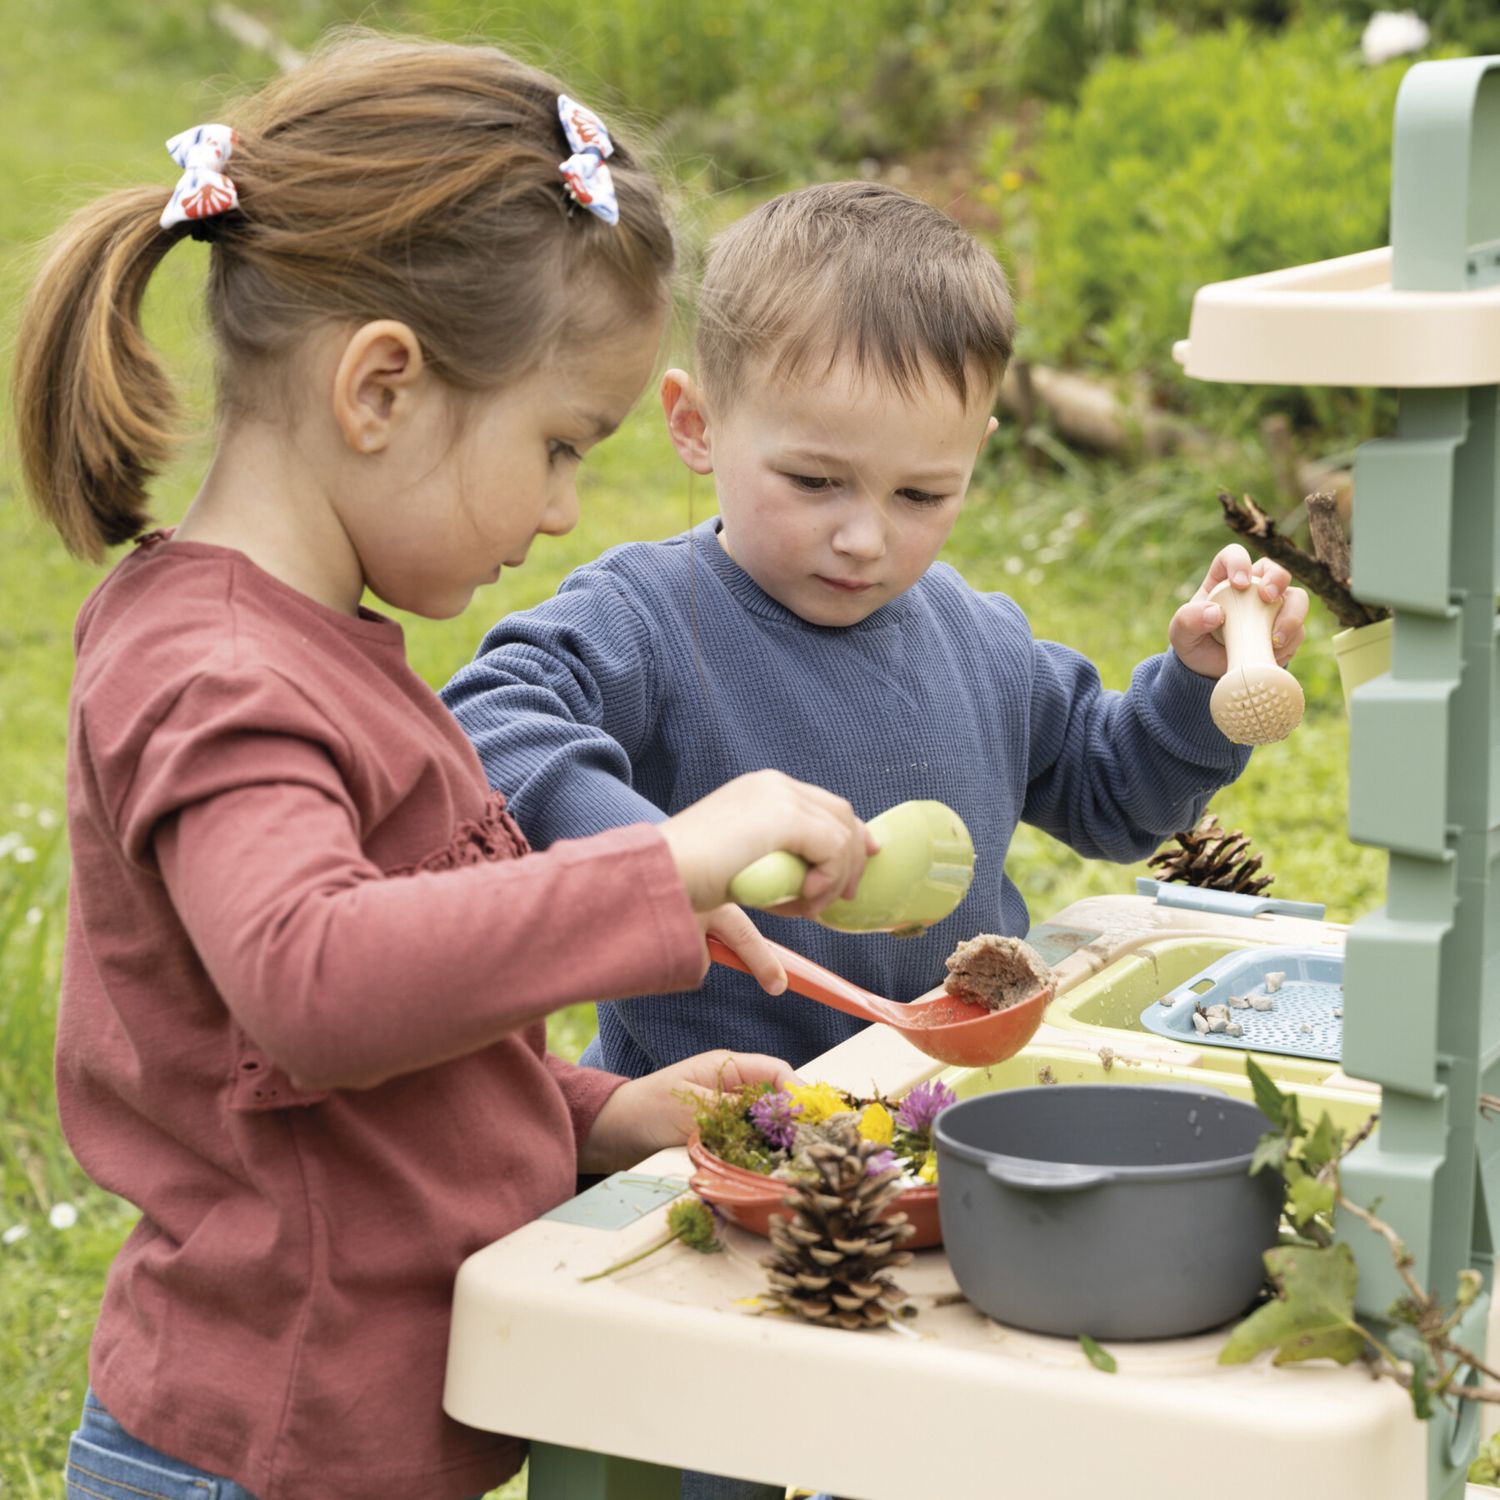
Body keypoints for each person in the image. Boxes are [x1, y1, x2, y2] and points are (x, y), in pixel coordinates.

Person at [12, 37, 878, 1500]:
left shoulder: (318, 649)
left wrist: (594, 1116)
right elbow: (314, 983)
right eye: (559, 445)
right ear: (381, 389)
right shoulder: (221, 675)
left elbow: (365, 1081)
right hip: (258, 1459)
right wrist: (660, 864)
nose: (562, 511)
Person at [443, 179, 1311, 1092]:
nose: (864, 538)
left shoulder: (980, 641)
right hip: (720, 1123)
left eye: (921, 494)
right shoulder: (647, 617)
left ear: (975, 454)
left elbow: (1115, 794)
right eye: (815, 481)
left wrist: (1196, 687)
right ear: (697, 426)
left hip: (938, 1098)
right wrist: (663, 861)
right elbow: (485, 728)